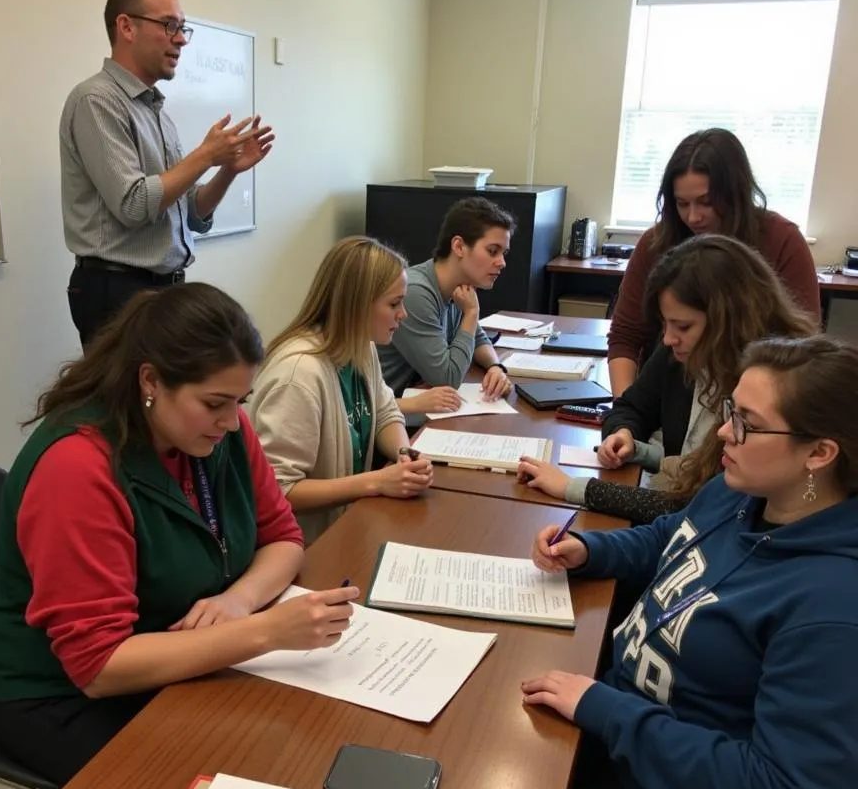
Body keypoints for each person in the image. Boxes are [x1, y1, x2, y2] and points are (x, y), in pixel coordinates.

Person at [524, 335, 858, 789]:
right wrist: (593, 550)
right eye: (731, 411)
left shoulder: (835, 608)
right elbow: (670, 539)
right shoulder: (743, 493)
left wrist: (610, 711)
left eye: (748, 424)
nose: (724, 434)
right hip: (645, 738)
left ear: (820, 452)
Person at [0, 284, 357, 786]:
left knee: (299, 740)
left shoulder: (216, 432)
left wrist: (240, 601)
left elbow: (284, 537)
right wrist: (265, 632)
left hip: (175, 652)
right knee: (242, 785)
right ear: (151, 381)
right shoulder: (78, 468)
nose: (232, 421)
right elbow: (99, 666)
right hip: (62, 697)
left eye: (239, 400)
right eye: (215, 403)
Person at [516, 234, 817, 524]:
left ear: (730, 319)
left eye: (683, 326)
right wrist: (625, 436)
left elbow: (698, 506)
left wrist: (574, 487)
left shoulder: (772, 386)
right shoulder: (684, 350)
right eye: (665, 324)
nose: (669, 339)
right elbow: (631, 408)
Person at [61, 0, 274, 348]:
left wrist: (226, 170)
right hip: (118, 290)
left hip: (164, 288)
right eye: (169, 25)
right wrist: (205, 155)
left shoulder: (155, 111)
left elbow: (191, 214)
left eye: (183, 28)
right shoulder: (95, 101)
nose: (180, 39)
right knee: (131, 404)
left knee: (166, 403)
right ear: (126, 26)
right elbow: (133, 205)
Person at [608, 128, 820, 397]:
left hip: (753, 404)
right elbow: (625, 336)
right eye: (682, 203)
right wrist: (626, 410)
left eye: (706, 202)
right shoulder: (656, 243)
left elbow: (802, 348)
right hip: (668, 400)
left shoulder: (781, 239)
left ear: (736, 193)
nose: (693, 217)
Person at [248, 237, 433, 544]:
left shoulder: (361, 346)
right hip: (305, 547)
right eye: (394, 303)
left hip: (346, 529)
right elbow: (278, 489)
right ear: (357, 304)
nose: (403, 314)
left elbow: (386, 412)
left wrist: (405, 456)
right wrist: (377, 482)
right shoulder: (298, 376)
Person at [378, 197, 515, 407]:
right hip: (387, 416)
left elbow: (477, 339)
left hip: (416, 404)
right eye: (492, 251)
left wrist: (496, 368)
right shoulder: (415, 293)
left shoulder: (459, 288)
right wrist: (471, 313)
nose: (502, 262)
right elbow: (447, 379)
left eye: (503, 253)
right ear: (459, 246)